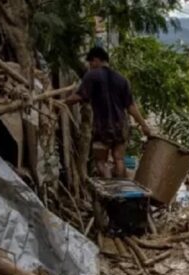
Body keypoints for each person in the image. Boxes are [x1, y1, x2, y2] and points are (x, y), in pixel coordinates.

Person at [65, 46, 151, 179]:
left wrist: (62, 102)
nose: (90, 66)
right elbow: (131, 106)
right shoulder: (122, 80)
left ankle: (109, 188)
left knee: (101, 161)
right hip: (120, 126)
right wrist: (143, 125)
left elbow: (79, 96)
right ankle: (121, 190)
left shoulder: (92, 75)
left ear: (96, 59)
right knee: (119, 160)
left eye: (91, 62)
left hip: (101, 126)